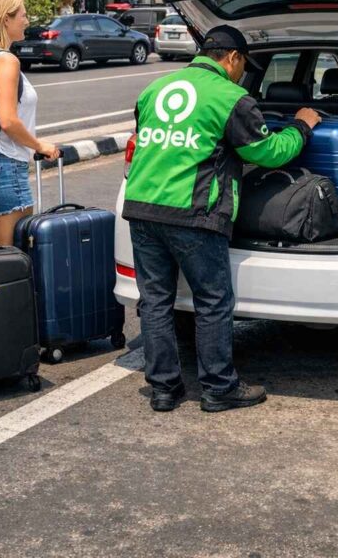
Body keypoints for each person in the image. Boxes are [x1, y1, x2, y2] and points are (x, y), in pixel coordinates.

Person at [123, 24, 321, 413]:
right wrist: (302, 126)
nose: (243, 73)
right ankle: (218, 387)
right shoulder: (231, 98)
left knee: (155, 301)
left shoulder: (155, 89)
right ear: (232, 58)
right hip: (193, 212)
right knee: (213, 301)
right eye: (243, 65)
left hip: (142, 207)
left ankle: (164, 389)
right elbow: (269, 152)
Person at [0, 0, 60, 246]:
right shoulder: (6, 61)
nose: (27, 21)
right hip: (7, 164)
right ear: (5, 19)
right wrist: (40, 145)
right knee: (13, 255)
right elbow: (8, 120)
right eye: (22, 15)